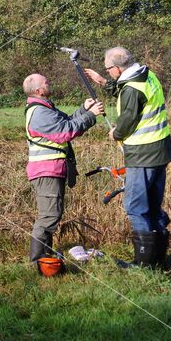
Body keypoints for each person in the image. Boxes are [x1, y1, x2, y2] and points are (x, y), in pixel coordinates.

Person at [85, 47, 171, 267]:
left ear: (116, 68)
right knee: (152, 206)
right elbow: (125, 88)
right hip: (159, 151)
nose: (108, 73)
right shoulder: (146, 75)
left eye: (108, 70)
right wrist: (101, 82)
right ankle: (157, 260)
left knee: (135, 207)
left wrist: (115, 132)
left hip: (142, 154)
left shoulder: (132, 88)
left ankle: (143, 264)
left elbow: (128, 119)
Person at [23, 73, 104, 262]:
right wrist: (92, 115)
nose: (49, 82)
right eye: (46, 82)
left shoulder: (44, 109)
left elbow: (66, 122)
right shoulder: (40, 112)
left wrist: (84, 109)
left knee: (51, 214)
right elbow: (65, 132)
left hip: (51, 170)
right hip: (46, 171)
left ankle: (45, 256)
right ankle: (38, 261)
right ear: (38, 90)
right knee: (49, 215)